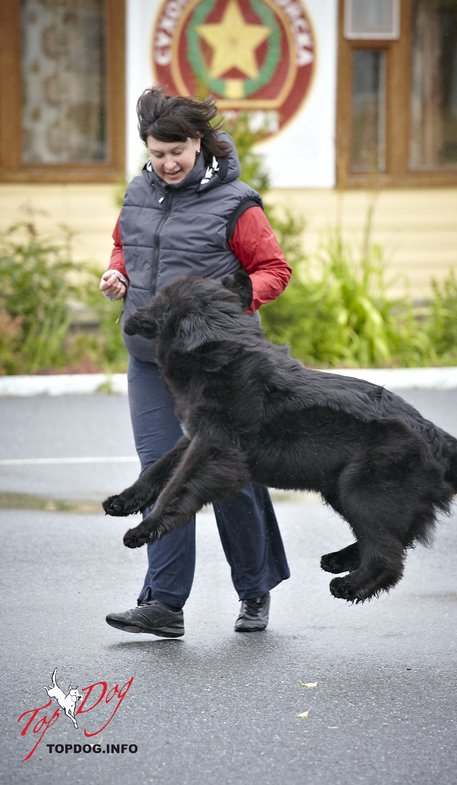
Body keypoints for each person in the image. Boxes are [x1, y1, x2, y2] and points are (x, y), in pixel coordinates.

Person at [99, 87, 291, 638]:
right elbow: (124, 246)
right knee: (159, 472)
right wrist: (117, 275)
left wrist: (225, 304)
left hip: (219, 369)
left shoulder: (237, 203)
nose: (168, 163)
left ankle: (254, 591)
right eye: (158, 153)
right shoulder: (139, 193)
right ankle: (164, 603)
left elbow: (274, 270)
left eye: (177, 151)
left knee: (226, 478)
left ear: (199, 143)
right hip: (151, 362)